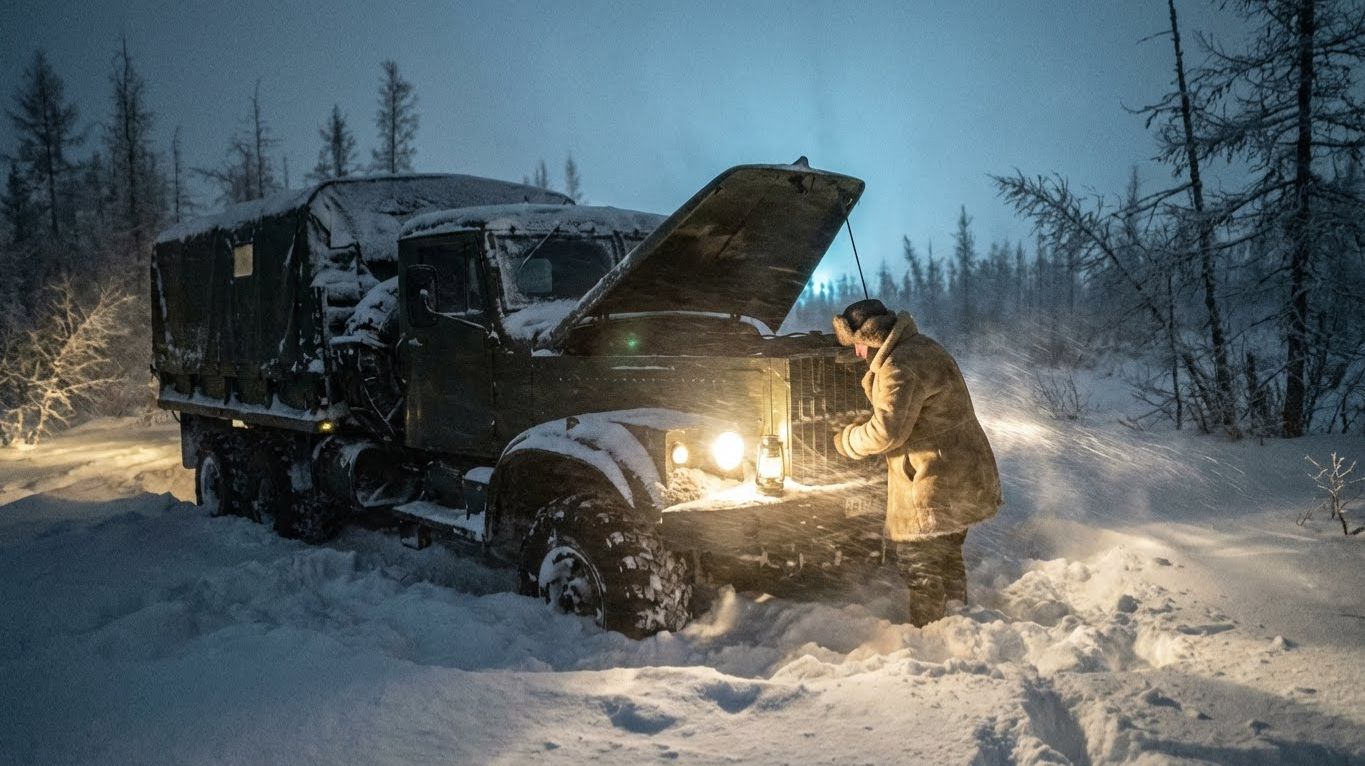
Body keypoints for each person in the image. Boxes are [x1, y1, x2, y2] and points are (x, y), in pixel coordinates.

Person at [832, 299, 1003, 627]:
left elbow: (886, 432)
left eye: (855, 345)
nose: (856, 354)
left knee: (921, 566)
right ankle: (959, 627)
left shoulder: (899, 367)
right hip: (960, 473)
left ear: (867, 339)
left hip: (935, 481)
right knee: (948, 559)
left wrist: (847, 440)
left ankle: (930, 639)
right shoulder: (923, 348)